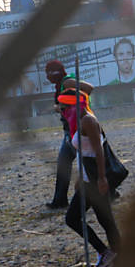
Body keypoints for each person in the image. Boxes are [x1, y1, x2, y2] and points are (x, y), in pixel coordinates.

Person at [59, 88, 120, 267]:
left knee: (74, 218)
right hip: (87, 179)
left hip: (94, 180)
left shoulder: (88, 121)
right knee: (105, 220)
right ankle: (116, 255)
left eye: (65, 108)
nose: (63, 112)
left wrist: (102, 178)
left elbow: (98, 151)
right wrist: (79, 177)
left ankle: (107, 253)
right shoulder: (79, 120)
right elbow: (83, 152)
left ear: (75, 105)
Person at [45, 60, 95, 208]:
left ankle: (110, 192)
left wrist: (75, 104)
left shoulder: (67, 82)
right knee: (64, 165)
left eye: (50, 72)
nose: (48, 76)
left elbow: (89, 88)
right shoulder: (59, 85)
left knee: (88, 163)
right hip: (69, 129)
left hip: (78, 130)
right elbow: (64, 104)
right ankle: (60, 200)